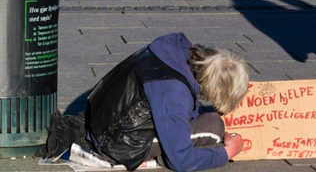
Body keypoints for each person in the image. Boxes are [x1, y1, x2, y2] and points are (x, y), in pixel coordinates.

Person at [38, 32, 249, 171]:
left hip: (101, 120)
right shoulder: (173, 92)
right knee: (214, 126)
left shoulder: (174, 50)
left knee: (196, 123)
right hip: (115, 144)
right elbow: (181, 161)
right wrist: (227, 152)